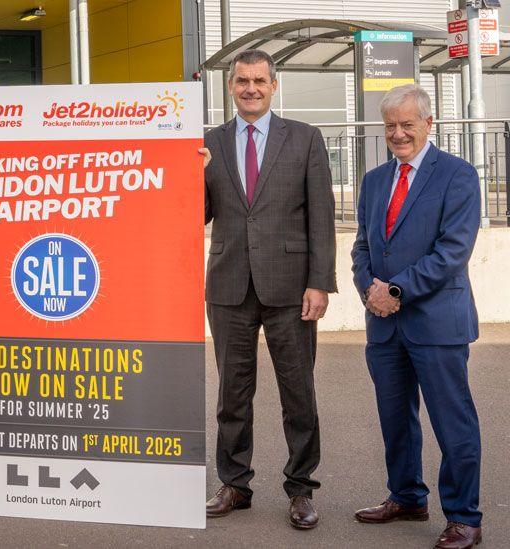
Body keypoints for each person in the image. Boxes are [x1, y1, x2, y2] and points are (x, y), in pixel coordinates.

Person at [200, 49, 336, 530]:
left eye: (259, 80)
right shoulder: (208, 143)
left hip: (291, 288)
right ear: (231, 86)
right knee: (232, 395)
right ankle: (235, 484)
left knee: (298, 393)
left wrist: (321, 283)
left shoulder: (304, 138)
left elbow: (322, 217)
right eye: (242, 81)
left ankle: (301, 489)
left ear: (273, 85)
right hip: (229, 285)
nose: (251, 88)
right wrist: (188, 175)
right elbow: (196, 215)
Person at [351, 84, 483, 549]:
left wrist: (397, 290)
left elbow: (453, 250)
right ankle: (407, 497)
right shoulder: (373, 181)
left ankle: (464, 517)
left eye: (408, 124)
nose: (399, 134)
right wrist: (370, 288)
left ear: (429, 124)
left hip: (437, 322)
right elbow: (363, 246)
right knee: (396, 419)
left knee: (452, 422)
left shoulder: (458, 175)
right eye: (391, 126)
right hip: (384, 325)